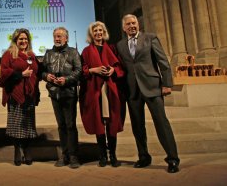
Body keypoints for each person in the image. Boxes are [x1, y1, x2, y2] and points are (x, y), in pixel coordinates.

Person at [116, 14, 180, 173]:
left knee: (162, 123)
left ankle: (172, 159)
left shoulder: (150, 38)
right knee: (138, 126)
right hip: (132, 91)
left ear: (138, 24)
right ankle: (143, 156)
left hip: (152, 87)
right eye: (128, 24)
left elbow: (162, 61)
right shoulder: (120, 45)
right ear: (124, 28)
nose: (132, 26)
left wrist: (166, 84)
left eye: (134, 23)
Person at [79, 21, 125, 167]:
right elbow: (82, 70)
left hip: (110, 89)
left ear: (104, 32)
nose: (98, 33)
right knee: (98, 122)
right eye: (95, 31)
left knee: (111, 122)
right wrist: (94, 70)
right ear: (91, 34)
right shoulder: (86, 51)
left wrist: (113, 70)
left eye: (100, 30)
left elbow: (120, 67)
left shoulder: (111, 48)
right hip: (94, 90)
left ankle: (113, 154)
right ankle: (102, 155)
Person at [42, 27, 82, 169]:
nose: (57, 39)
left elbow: (79, 71)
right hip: (54, 93)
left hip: (69, 93)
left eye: (60, 36)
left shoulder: (73, 52)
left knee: (70, 126)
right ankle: (64, 155)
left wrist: (66, 80)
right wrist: (47, 76)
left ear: (66, 38)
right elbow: (42, 71)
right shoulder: (48, 53)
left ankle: (73, 156)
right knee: (61, 126)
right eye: (55, 36)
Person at [0, 28, 39, 166]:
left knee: (28, 124)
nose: (24, 41)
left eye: (26, 39)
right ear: (15, 40)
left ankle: (26, 149)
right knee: (16, 125)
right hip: (14, 94)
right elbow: (4, 75)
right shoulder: (8, 55)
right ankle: (17, 149)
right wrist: (21, 75)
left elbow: (36, 73)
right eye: (21, 39)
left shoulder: (31, 55)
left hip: (29, 94)